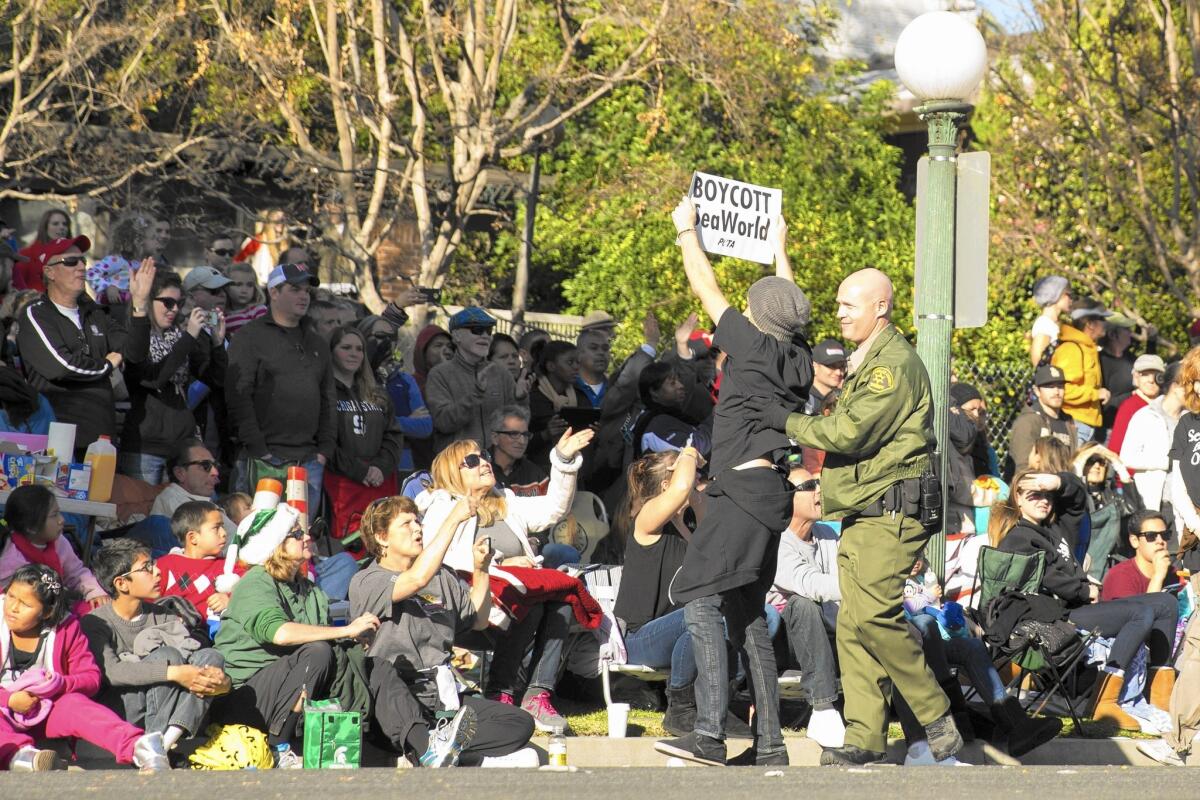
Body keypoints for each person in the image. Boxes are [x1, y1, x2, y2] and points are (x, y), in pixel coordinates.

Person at [747, 266, 963, 767]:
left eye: (850, 304)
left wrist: (779, 418)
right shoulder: (869, 359)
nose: (839, 313)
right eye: (839, 303)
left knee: (870, 614)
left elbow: (848, 433)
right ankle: (865, 737)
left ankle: (935, 714)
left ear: (880, 307)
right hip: (864, 510)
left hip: (890, 509)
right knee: (851, 624)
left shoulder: (893, 365)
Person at [654, 201, 810, 769]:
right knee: (746, 616)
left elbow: (705, 282)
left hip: (739, 492)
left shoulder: (749, 343)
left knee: (698, 595)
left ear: (755, 317)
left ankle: (709, 736)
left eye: (749, 305)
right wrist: (780, 248)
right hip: (772, 494)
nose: (739, 308)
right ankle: (770, 743)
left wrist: (685, 228)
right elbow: (788, 304)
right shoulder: (798, 355)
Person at [418, 428, 594, 732]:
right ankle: (501, 692)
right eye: (472, 460)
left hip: (515, 593)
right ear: (451, 472)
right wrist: (500, 563)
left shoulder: (505, 502)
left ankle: (538, 695)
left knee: (562, 601)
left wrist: (563, 460)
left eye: (484, 456)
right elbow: (441, 558)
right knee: (531, 603)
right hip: (467, 598)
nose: (484, 462)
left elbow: (554, 509)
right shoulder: (443, 505)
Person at [350, 496, 538, 767]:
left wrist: (481, 569)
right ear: (382, 538)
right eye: (406, 523)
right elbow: (415, 580)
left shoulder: (441, 576)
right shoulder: (367, 580)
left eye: (418, 521)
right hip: (396, 699)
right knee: (384, 680)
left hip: (441, 694)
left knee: (518, 723)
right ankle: (426, 745)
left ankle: (444, 749)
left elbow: (478, 620)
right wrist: (454, 518)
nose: (417, 528)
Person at [995, 470, 1178, 733]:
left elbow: (1078, 499)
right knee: (1140, 614)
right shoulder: (1019, 537)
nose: (1043, 500)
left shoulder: (1055, 529)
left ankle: (1160, 699)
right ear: (1018, 499)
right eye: (1034, 494)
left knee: (1166, 604)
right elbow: (1044, 579)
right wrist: (1083, 590)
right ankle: (1105, 700)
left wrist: (1057, 482)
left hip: (1074, 610)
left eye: (1047, 495)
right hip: (1052, 619)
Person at [213, 503, 381, 768]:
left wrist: (353, 638)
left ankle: (422, 744)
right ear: (275, 545)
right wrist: (347, 629)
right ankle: (278, 745)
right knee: (317, 651)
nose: (307, 537)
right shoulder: (255, 581)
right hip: (245, 696)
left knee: (367, 662)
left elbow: (324, 635)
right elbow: (280, 633)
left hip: (286, 684)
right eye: (296, 533)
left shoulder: (308, 589)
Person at [0, 564, 170, 772]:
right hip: (3, 714)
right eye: (10, 596)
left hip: (43, 711)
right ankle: (22, 757)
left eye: (25, 604)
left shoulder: (67, 627)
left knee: (75, 704)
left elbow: (90, 678)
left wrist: (60, 683)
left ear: (46, 612)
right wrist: (9, 699)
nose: (12, 608)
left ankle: (141, 747)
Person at [82, 539, 230, 752]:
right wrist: (174, 672)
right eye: (147, 568)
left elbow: (195, 661)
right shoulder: (95, 622)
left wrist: (222, 683)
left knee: (210, 657)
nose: (158, 572)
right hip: (123, 706)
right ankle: (153, 743)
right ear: (122, 584)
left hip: (166, 705)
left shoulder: (165, 615)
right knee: (167, 654)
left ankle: (163, 745)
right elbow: (113, 672)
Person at [18, 236, 154, 456]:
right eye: (71, 262)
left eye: (83, 261)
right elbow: (61, 367)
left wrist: (139, 305)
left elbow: (135, 353)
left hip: (101, 439)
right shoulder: (37, 313)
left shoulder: (95, 312)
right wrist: (106, 366)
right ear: (49, 272)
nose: (81, 267)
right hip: (56, 440)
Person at [225, 261, 332, 513]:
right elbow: (238, 396)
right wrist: (258, 448)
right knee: (258, 539)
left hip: (309, 460)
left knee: (301, 540)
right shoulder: (249, 337)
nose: (304, 296)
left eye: (307, 291)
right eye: (295, 289)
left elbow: (328, 397)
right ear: (274, 292)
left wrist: (324, 450)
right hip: (264, 459)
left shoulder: (317, 341)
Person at [119, 271, 227, 485]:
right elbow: (154, 378)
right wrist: (189, 337)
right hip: (145, 448)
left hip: (180, 448)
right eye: (168, 302)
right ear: (148, 300)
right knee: (142, 512)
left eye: (178, 303)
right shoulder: (133, 339)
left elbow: (215, 379)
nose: (174, 309)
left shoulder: (178, 337)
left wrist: (217, 344)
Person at [767, 466, 846, 749]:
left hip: (827, 634)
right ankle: (823, 710)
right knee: (802, 604)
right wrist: (862, 590)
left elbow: (845, 575)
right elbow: (809, 583)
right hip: (783, 643)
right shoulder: (776, 540)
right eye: (810, 485)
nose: (819, 491)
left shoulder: (826, 534)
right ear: (788, 498)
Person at [324, 326, 403, 544]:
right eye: (346, 347)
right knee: (351, 543)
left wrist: (380, 467)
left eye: (359, 349)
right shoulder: (324, 392)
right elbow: (323, 440)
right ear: (331, 351)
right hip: (342, 482)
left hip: (380, 481)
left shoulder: (377, 393)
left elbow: (393, 435)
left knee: (383, 538)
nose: (353, 353)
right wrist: (360, 471)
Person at [424, 307, 519, 452]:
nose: (485, 336)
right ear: (456, 336)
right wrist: (475, 394)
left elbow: (517, 424)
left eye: (488, 331)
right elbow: (443, 423)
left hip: (496, 467)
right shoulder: (439, 374)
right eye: (476, 330)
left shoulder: (501, 373)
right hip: (457, 467)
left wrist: (522, 398)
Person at [0, 485, 108, 612]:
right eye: (54, 515)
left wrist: (94, 591)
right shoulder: (10, 557)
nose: (61, 520)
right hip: (20, 614)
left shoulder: (59, 542)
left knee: (95, 611)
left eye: (59, 513)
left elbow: (76, 573)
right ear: (31, 527)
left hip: (56, 607)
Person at [155, 501, 242, 623]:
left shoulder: (229, 567)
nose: (224, 533)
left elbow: (251, 590)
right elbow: (147, 602)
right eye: (216, 528)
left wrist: (229, 600)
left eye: (222, 527)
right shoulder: (164, 566)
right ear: (193, 538)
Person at [1122, 359, 1185, 515]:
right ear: (1176, 386)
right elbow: (1126, 457)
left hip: (1188, 508)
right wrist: (1166, 460)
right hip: (1158, 505)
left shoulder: (1192, 419)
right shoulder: (1146, 416)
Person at [1052, 298, 1111, 445]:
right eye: (1102, 318)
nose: (1106, 323)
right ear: (1090, 324)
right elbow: (1063, 390)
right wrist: (1096, 394)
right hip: (1074, 426)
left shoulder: (1087, 348)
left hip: (1085, 426)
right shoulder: (1072, 349)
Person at [1004, 364, 1077, 480]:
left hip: (1062, 489)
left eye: (1060, 386)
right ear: (1037, 391)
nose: (1057, 392)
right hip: (1034, 491)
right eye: (1050, 386)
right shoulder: (1028, 421)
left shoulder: (1068, 421)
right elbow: (1022, 468)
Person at [629, 361, 711, 458]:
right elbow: (693, 449)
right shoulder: (655, 426)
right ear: (654, 392)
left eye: (678, 380)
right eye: (672, 383)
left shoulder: (672, 415)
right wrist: (720, 414)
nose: (681, 386)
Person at [527, 340, 583, 467]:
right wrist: (546, 434)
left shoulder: (580, 395)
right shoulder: (532, 396)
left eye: (577, 362)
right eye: (570, 362)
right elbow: (523, 439)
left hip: (572, 465)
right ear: (551, 366)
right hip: (539, 467)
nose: (576, 367)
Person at [1101, 511, 1180, 601]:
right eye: (1151, 536)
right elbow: (1141, 613)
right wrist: (1157, 577)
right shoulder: (1120, 576)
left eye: (1165, 535)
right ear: (1134, 541)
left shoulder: (1173, 573)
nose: (1160, 541)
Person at [1109, 354, 1165, 457]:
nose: (1151, 380)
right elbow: (1115, 448)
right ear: (1135, 377)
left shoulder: (1166, 405)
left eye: (1156, 375)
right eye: (1145, 374)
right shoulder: (1129, 406)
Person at [488, 406, 549, 497]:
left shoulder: (535, 474)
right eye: (514, 434)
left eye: (525, 435)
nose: (522, 441)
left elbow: (554, 507)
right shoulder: (477, 470)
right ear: (495, 438)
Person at [13, 209, 71, 291]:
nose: (62, 227)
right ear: (45, 227)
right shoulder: (26, 255)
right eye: (55, 224)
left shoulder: (74, 255)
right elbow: (16, 287)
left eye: (65, 224)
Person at [1099, 314, 1138, 432]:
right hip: (1109, 429)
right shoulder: (1099, 361)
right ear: (1112, 334)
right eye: (1126, 329)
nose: (1130, 333)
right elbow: (1104, 402)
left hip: (1132, 425)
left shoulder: (1131, 359)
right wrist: (1131, 396)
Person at [1028, 275, 1072, 367]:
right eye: (1068, 294)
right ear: (1057, 295)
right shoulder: (1044, 324)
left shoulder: (1053, 324)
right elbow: (1038, 361)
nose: (1071, 300)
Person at [221, 262, 267, 337]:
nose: (244, 290)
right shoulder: (221, 314)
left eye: (250, 285)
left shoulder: (258, 311)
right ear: (226, 287)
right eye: (238, 284)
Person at [804, 339, 847, 415]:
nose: (838, 372)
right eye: (831, 366)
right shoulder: (804, 400)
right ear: (815, 367)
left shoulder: (844, 398)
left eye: (842, 366)